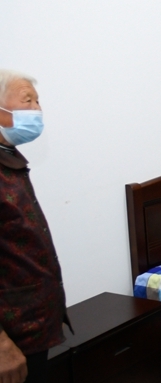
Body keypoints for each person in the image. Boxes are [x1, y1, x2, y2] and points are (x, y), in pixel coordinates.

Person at [0, 70, 67, 383]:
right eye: (27, 101)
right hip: (10, 336)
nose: (37, 110)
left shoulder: (9, 158)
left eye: (38, 102)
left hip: (31, 326)